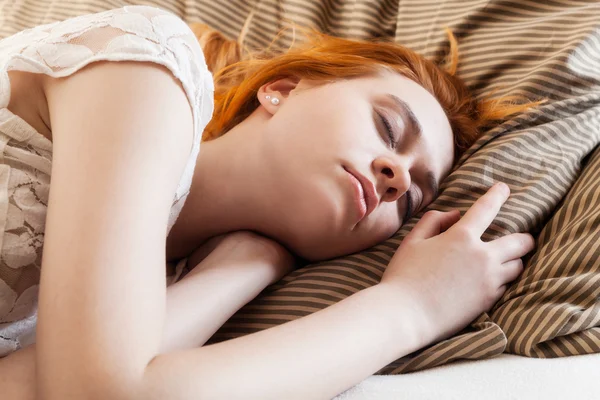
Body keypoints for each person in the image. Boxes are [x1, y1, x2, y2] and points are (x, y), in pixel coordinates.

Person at [0, 5, 543, 399]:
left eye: (410, 200)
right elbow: (97, 395)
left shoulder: (174, 286)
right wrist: (410, 308)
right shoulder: (148, 72)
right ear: (281, 89)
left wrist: (247, 265)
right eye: (387, 125)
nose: (397, 175)